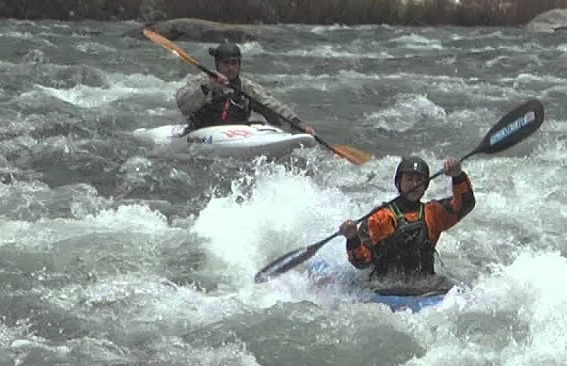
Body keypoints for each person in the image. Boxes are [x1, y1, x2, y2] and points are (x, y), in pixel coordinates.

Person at [338, 155, 473, 289]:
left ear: (425, 185)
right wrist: (352, 238)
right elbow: (362, 262)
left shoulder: (433, 213)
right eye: (409, 179)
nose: (414, 185)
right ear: (399, 183)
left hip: (424, 287)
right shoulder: (379, 217)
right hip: (385, 289)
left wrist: (458, 176)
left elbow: (465, 204)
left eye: (419, 180)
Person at [174, 41, 315, 134]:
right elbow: (182, 103)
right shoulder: (202, 80)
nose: (230, 67)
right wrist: (209, 87)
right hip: (201, 133)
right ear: (217, 64)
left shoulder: (246, 87)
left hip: (236, 135)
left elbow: (271, 105)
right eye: (226, 63)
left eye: (234, 63)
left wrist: (297, 123)